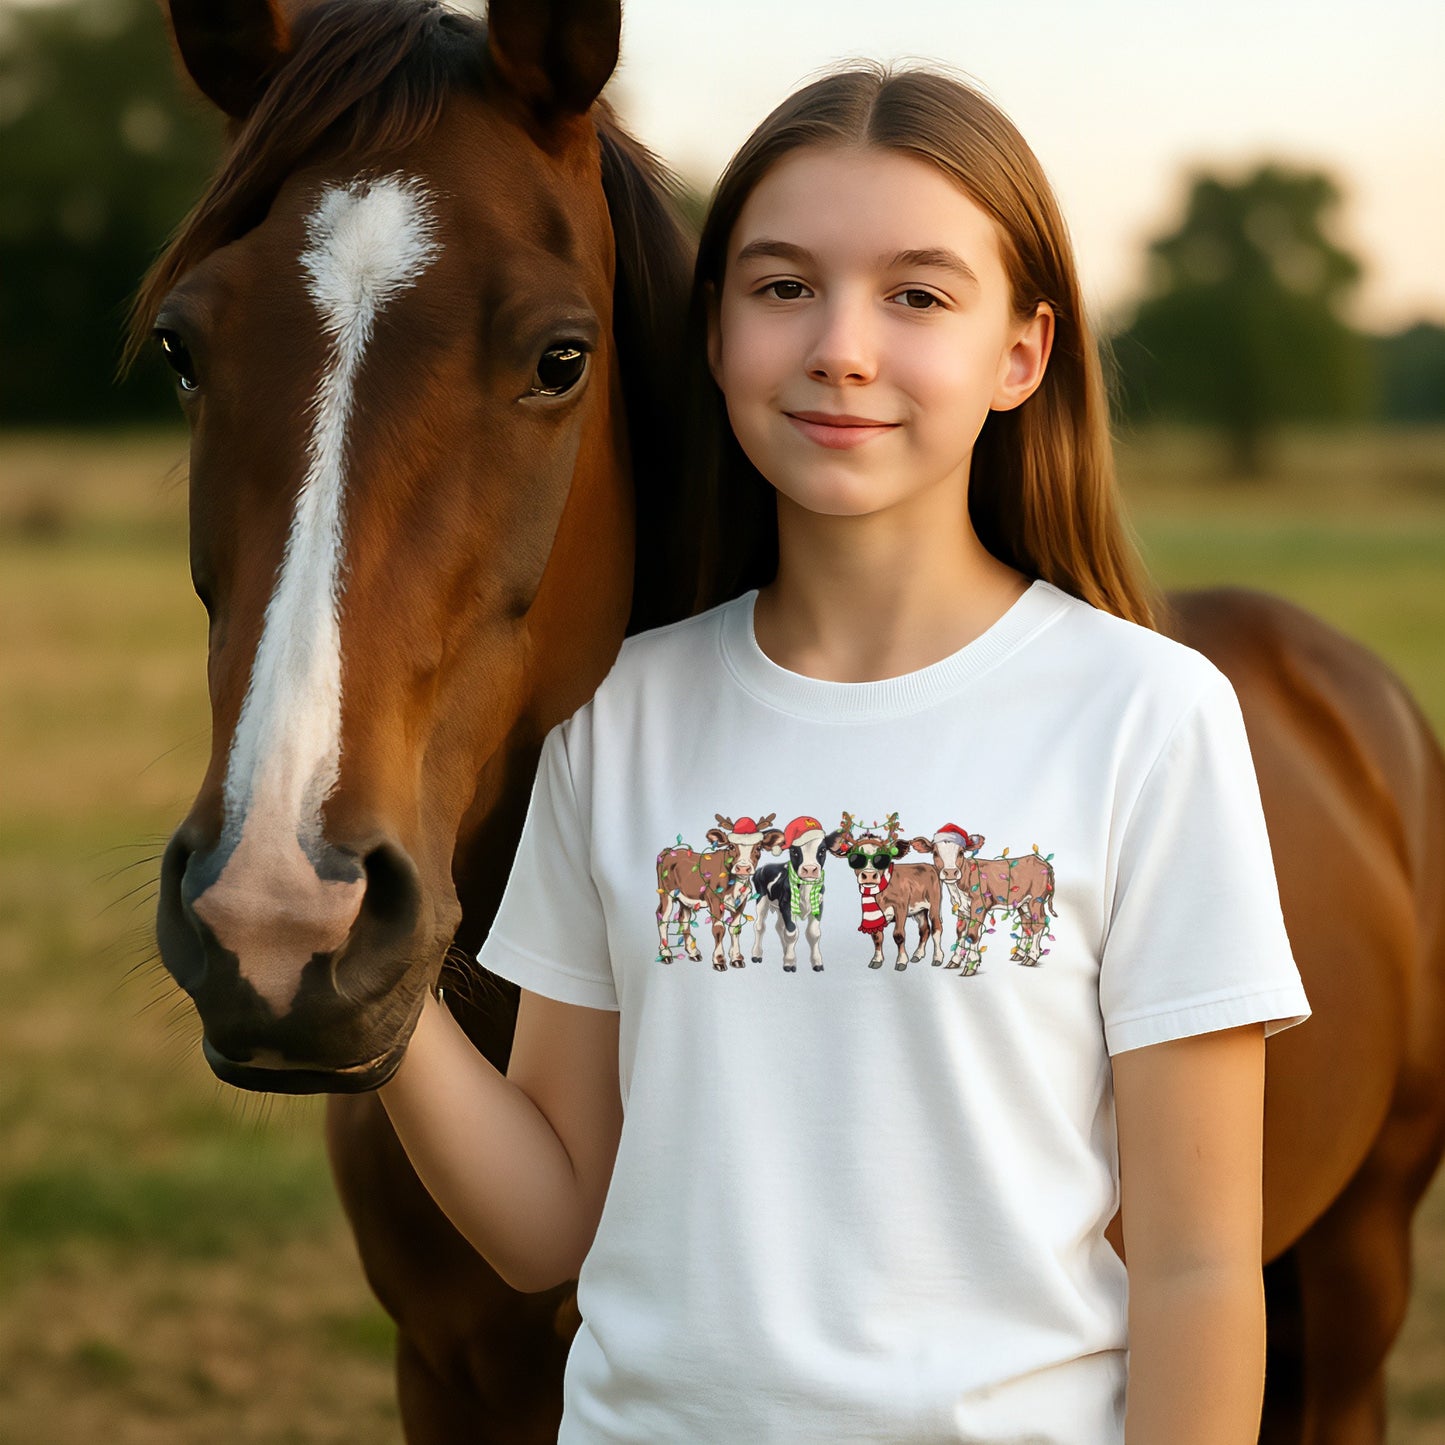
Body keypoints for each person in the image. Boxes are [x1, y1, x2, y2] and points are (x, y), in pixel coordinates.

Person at [379, 63, 1311, 1444]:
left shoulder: (1145, 717)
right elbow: (547, 1220)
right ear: (712, 333)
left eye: (917, 294)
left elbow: (1193, 1268)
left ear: (1022, 352)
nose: (841, 346)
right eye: (780, 285)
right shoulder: (616, 716)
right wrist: (374, 986)